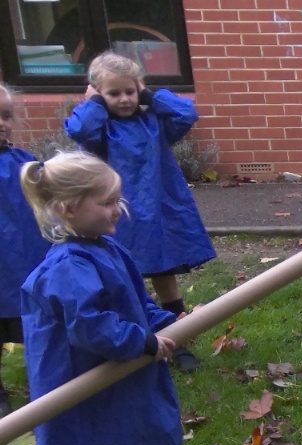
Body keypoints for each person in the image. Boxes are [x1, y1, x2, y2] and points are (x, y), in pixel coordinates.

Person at [18, 151, 184, 445]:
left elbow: (134, 299)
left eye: (117, 200)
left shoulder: (105, 248)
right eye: (107, 202)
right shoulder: (68, 265)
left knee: (143, 432)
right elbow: (90, 326)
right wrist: (141, 341)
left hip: (122, 367)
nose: (117, 210)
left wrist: (163, 320)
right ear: (68, 209)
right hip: (90, 374)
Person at [65, 51, 214, 374]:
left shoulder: (153, 123)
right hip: (117, 214)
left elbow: (186, 113)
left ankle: (178, 338)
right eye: (113, 93)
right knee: (123, 279)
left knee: (165, 274)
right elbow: (78, 128)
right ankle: (136, 340)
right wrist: (94, 103)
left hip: (158, 211)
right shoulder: (99, 129)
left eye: (130, 91)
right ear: (97, 94)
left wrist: (149, 95)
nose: (124, 99)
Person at [0, 83, 53, 417]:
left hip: (23, 262)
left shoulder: (25, 164)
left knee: (34, 324)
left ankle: (46, 382)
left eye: (6, 115)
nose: (2, 123)